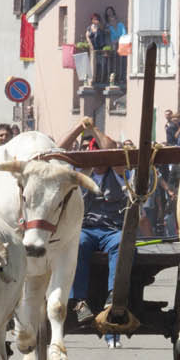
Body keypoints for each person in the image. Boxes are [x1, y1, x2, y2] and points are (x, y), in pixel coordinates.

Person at [57, 118, 128, 348]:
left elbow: (112, 150)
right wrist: (79, 127)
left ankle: (113, 299)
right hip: (85, 229)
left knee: (122, 244)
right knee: (76, 244)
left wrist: (94, 129)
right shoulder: (79, 172)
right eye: (93, 156)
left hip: (112, 230)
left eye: (101, 157)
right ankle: (78, 302)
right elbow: (58, 150)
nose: (98, 162)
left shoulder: (118, 172)